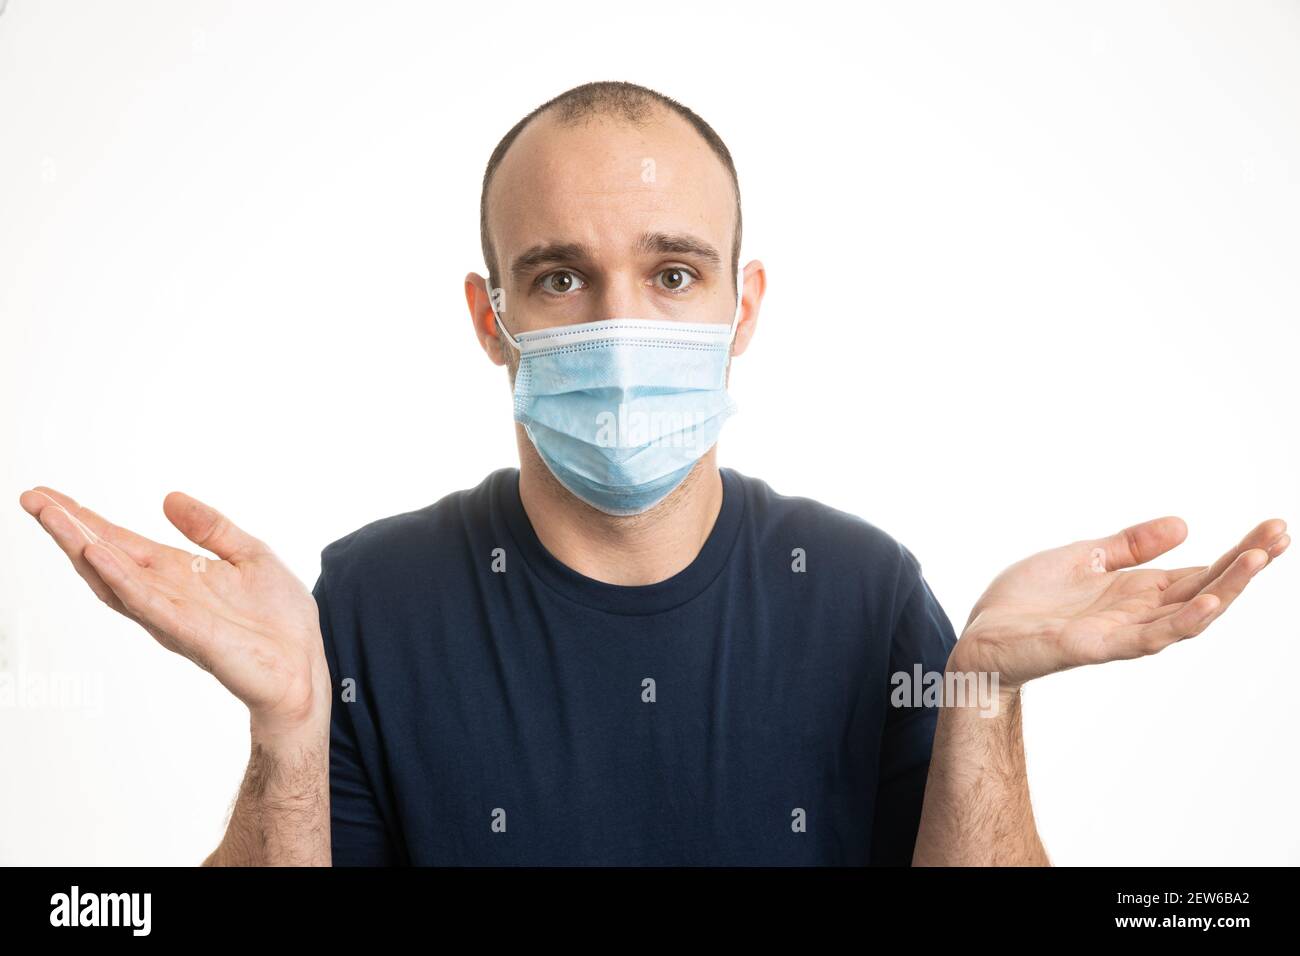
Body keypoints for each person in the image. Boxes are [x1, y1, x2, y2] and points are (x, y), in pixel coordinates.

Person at [18, 81, 1289, 866]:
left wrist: (984, 703)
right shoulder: (361, 600)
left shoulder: (863, 593)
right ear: (489, 313)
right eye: (560, 275)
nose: (619, 324)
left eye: (673, 273)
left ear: (742, 308)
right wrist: (288, 736)